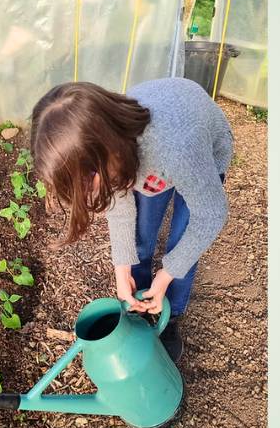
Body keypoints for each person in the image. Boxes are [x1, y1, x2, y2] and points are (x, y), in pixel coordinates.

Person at [30, 78, 232, 362]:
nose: (87, 198)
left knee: (185, 236)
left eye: (86, 187)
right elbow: (119, 200)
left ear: (103, 162)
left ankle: (169, 311)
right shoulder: (107, 139)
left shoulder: (178, 150)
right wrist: (121, 269)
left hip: (199, 152)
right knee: (140, 235)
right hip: (147, 162)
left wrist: (167, 273)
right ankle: (140, 302)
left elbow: (211, 215)